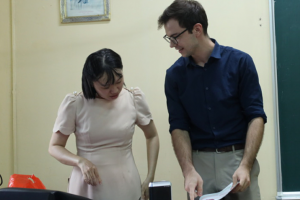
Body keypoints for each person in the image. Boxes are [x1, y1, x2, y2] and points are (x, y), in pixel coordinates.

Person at [157, 1, 267, 200]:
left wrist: (245, 165)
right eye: (169, 38)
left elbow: (256, 116)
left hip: (237, 160)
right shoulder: (174, 75)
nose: (172, 45)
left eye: (175, 37)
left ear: (197, 29)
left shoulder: (240, 63)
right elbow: (178, 126)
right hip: (199, 167)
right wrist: (188, 170)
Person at [49, 48, 159, 200]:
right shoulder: (75, 104)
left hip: (126, 183)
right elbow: (54, 147)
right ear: (91, 82)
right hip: (87, 186)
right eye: (105, 86)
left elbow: (152, 136)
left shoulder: (134, 98)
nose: (114, 90)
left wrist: (150, 177)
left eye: (118, 81)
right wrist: (80, 161)